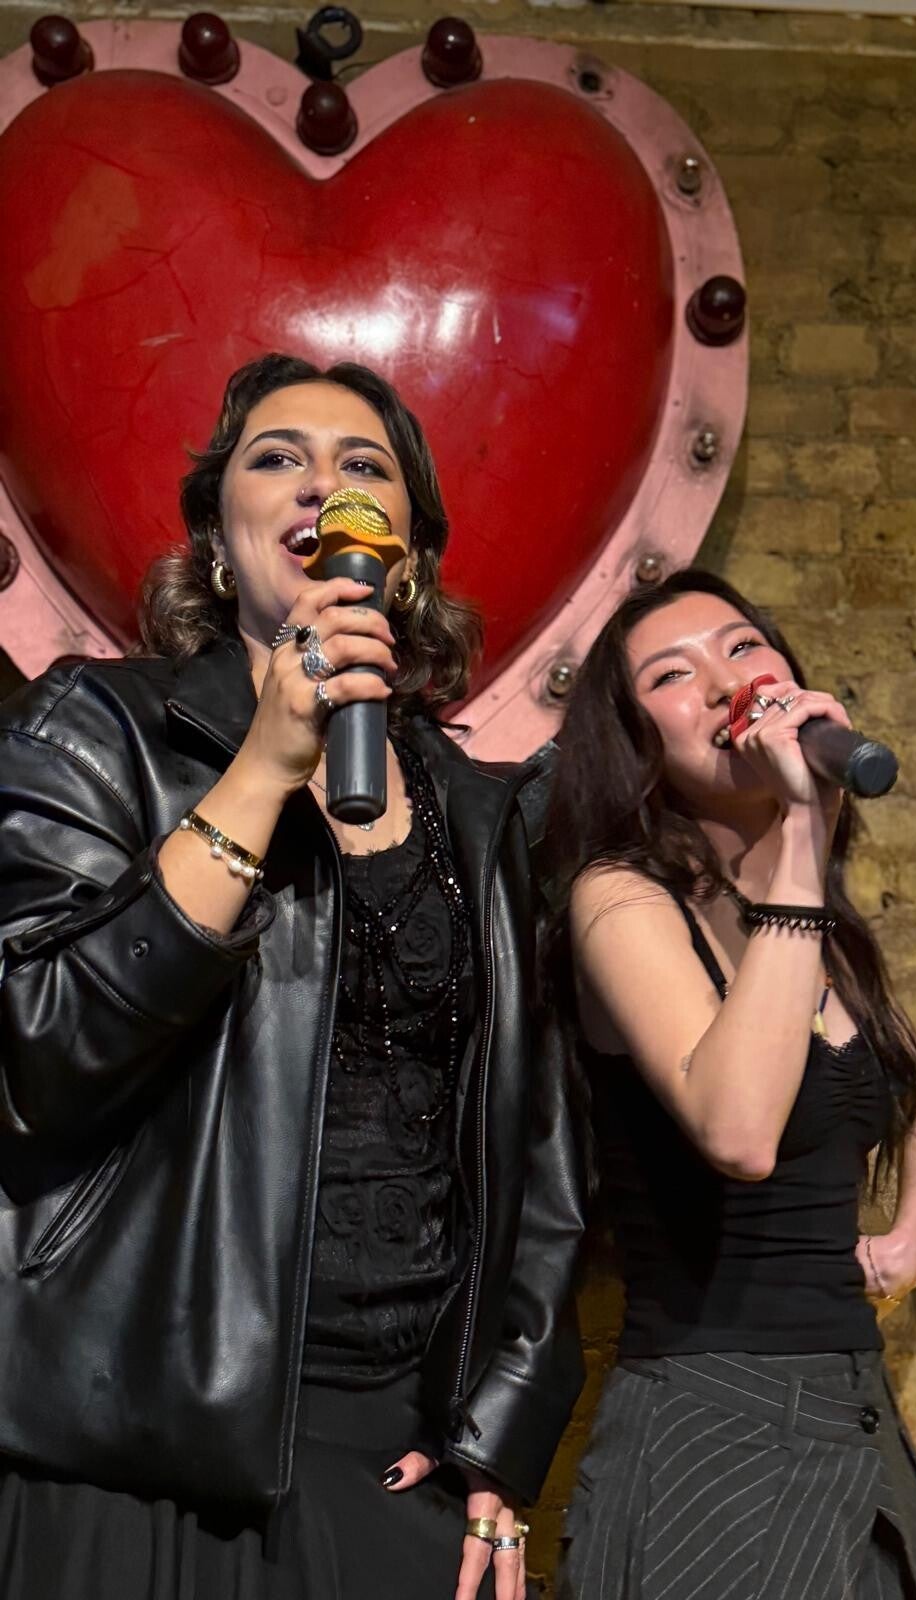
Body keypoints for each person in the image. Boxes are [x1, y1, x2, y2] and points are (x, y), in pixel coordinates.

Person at [0, 353, 585, 1600]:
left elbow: (537, 1148)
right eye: (278, 458)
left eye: (363, 465)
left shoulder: (480, 814)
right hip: (134, 1441)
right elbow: (38, 1050)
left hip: (393, 1457)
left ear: (405, 558)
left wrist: (503, 1427)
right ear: (220, 544)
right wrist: (266, 766)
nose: (324, 481)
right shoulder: (100, 729)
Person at [546, 568, 916, 1600]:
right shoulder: (620, 899)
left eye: (742, 647)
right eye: (672, 674)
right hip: (715, 1429)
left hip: (852, 1420)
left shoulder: (815, 923)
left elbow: (914, 1092)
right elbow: (739, 1131)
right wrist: (800, 838)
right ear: (635, 738)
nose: (725, 682)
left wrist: (910, 1238)